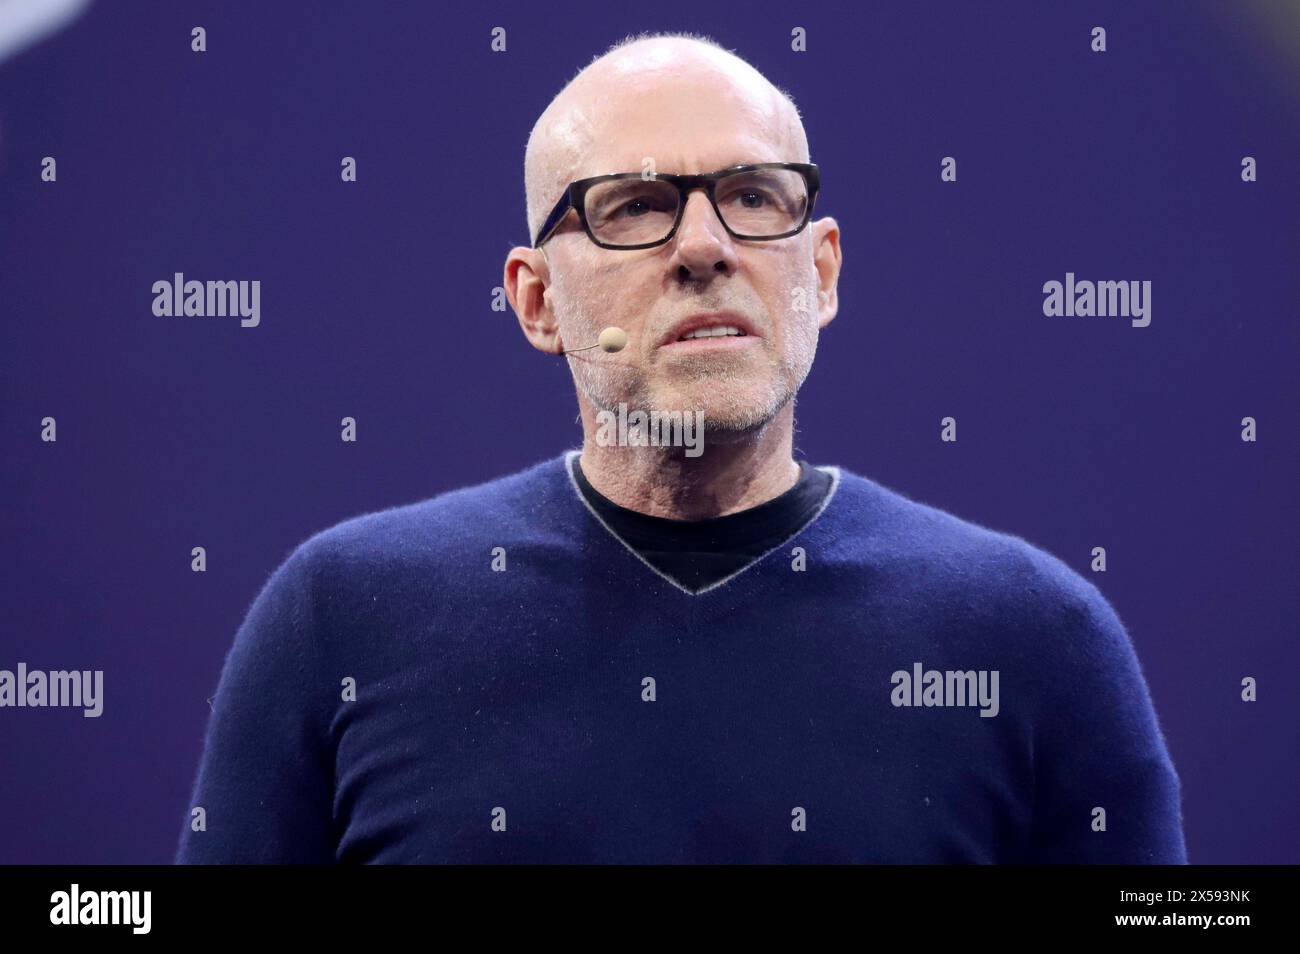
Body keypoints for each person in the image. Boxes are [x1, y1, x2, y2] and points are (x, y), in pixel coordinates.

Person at [176, 32, 1185, 864]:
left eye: (754, 196)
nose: (705, 245)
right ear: (535, 300)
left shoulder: (1033, 635)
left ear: (820, 273)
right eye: (635, 207)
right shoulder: (342, 618)